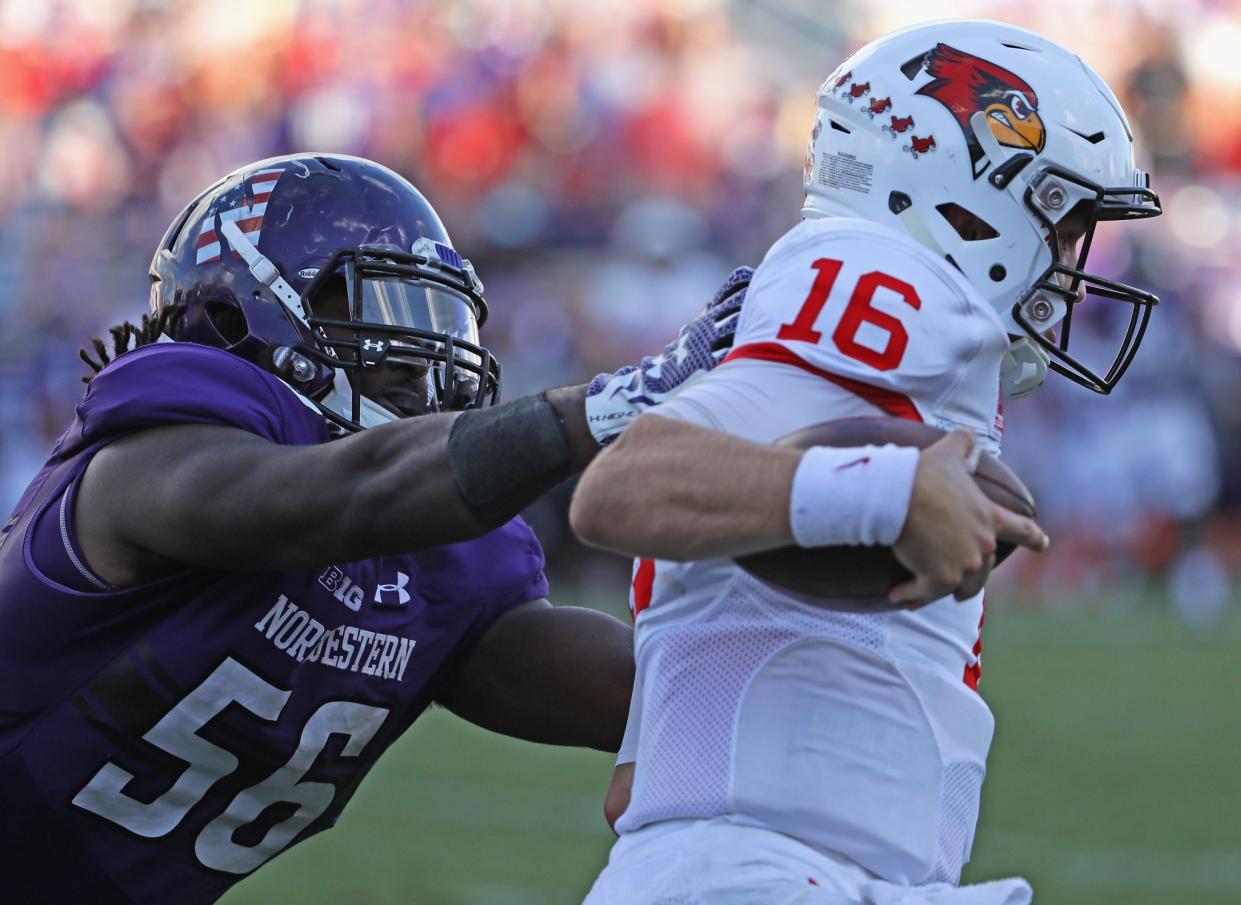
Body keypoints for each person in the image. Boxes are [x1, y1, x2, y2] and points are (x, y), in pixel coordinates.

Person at [0, 152, 1037, 904]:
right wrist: (608, 405)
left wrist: (825, 552)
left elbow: (651, 687)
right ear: (243, 321)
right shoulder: (145, 469)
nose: (430, 373)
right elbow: (339, 494)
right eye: (387, 328)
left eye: (439, 333)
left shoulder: (437, 566)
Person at [573, 20, 1160, 905]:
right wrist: (887, 492)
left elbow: (632, 788)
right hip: (762, 874)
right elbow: (623, 484)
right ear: (967, 188)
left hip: (793, 868)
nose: (1072, 271)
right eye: (1063, 222)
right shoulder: (878, 272)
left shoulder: (885, 332)